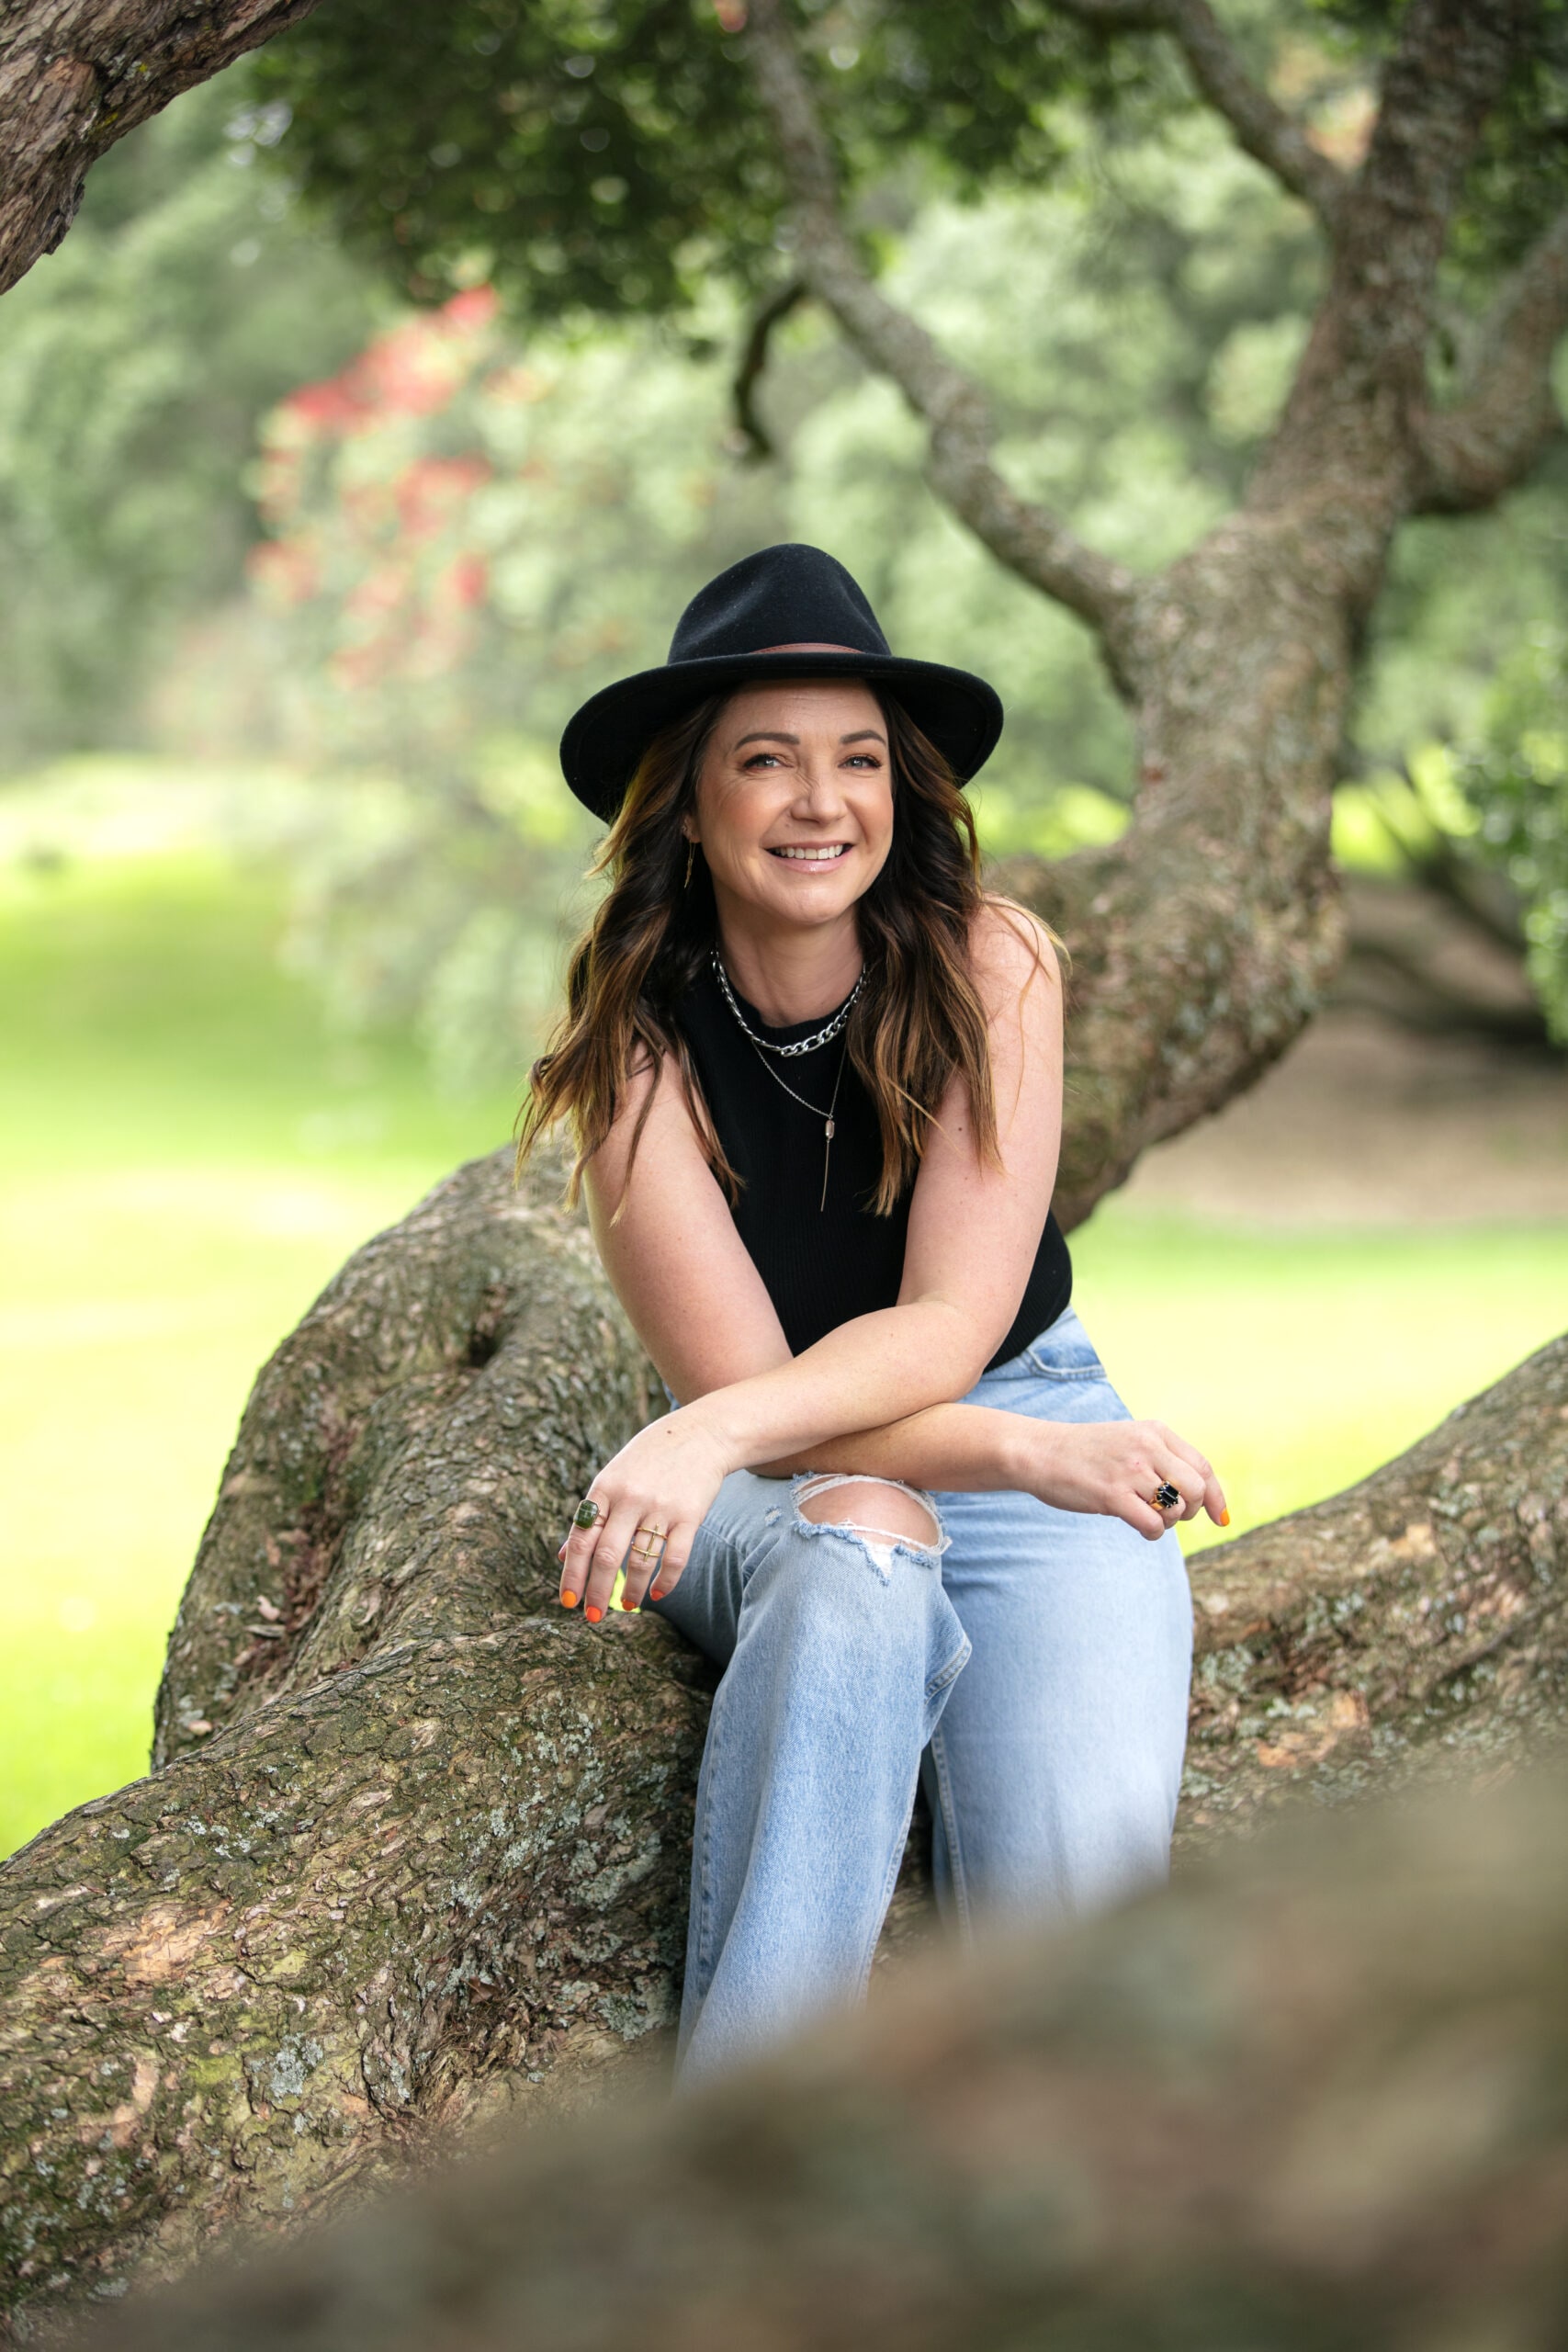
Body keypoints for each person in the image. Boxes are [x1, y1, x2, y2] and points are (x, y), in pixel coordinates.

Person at [520, 542, 1226, 2086]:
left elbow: (952, 1325)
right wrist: (715, 1436)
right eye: (764, 762)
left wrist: (1040, 1462)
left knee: (1078, 1969)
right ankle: (745, 2155)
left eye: (857, 760)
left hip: (1011, 1416)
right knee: (860, 1546)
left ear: (902, 791)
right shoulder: (634, 1061)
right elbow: (766, 1404)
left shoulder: (995, 965)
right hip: (774, 1470)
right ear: (688, 805)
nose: (819, 800)